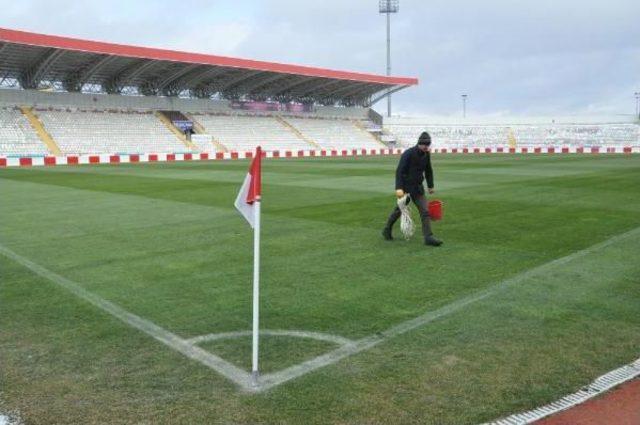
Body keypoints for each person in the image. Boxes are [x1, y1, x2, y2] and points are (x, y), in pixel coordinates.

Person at [382, 131, 443, 246]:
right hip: (406, 189)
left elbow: (428, 170)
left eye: (428, 145)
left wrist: (430, 185)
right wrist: (399, 188)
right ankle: (387, 229)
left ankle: (428, 237)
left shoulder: (426, 154)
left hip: (418, 189)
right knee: (399, 211)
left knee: (425, 211)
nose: (426, 147)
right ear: (419, 143)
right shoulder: (408, 154)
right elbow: (400, 171)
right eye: (424, 144)